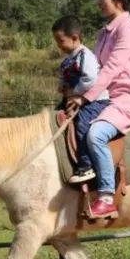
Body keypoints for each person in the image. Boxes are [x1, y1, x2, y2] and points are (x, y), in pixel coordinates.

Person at [68, 0, 130, 220]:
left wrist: (85, 98)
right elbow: (95, 68)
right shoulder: (104, 33)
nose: (98, 2)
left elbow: (112, 69)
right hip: (104, 97)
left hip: (125, 99)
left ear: (117, 1)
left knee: (96, 134)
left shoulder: (128, 30)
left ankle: (106, 197)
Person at [51, 16, 110, 185]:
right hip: (73, 99)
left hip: (94, 101)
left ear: (75, 38)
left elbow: (90, 79)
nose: (59, 45)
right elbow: (64, 77)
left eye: (61, 41)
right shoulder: (68, 60)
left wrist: (74, 91)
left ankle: (87, 164)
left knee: (82, 124)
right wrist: (62, 86)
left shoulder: (85, 56)